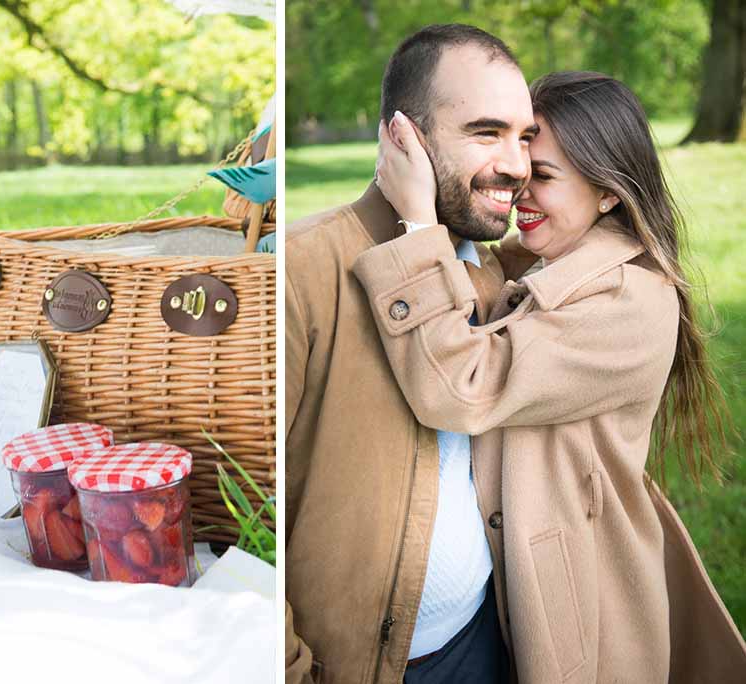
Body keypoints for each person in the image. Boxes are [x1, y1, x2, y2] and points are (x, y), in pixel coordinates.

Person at [356, 70, 746, 682]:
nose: (520, 192)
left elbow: (462, 385)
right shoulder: (536, 262)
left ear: (609, 192)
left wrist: (419, 224)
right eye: (517, 167)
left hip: (580, 595)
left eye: (543, 176)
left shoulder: (631, 303)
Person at [285, 25, 534, 683]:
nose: (515, 165)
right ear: (403, 137)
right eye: (485, 133)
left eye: (523, 136)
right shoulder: (301, 272)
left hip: (480, 642)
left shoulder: (492, 274)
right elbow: (239, 511)